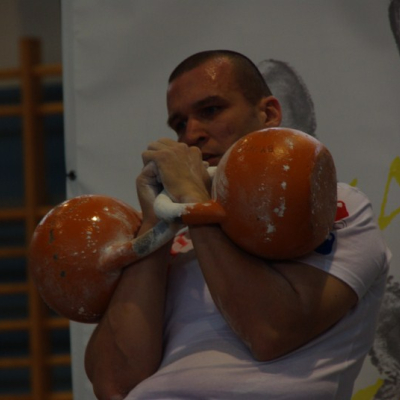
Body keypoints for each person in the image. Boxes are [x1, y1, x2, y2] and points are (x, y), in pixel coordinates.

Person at [84, 50, 391, 400]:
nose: (191, 135)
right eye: (180, 124)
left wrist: (192, 199)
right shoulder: (179, 236)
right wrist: (155, 223)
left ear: (268, 114)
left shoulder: (334, 203)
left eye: (211, 110)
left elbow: (270, 332)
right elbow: (113, 385)